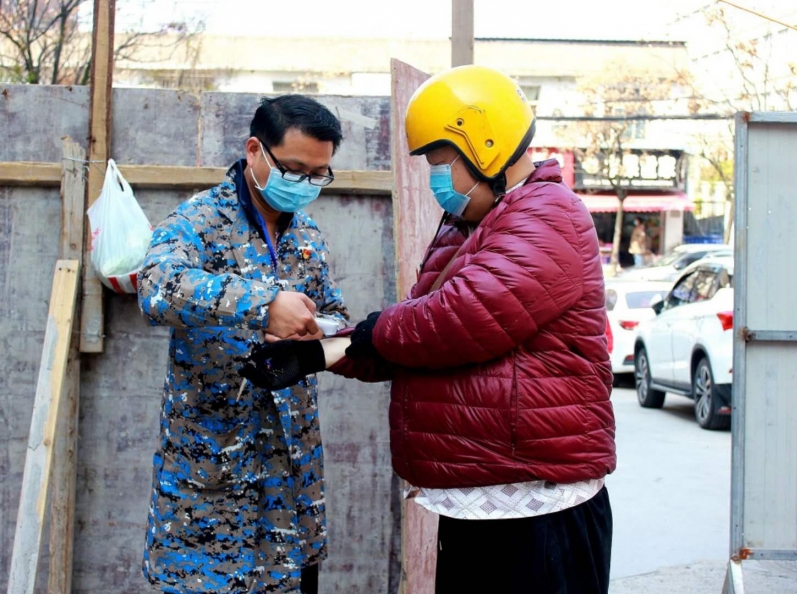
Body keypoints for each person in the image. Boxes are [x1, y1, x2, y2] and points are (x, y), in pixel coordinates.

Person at [242, 66, 616, 594]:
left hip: (538, 507)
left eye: (442, 162)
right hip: (481, 498)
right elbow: (418, 340)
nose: (436, 178)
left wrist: (362, 336)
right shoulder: (473, 225)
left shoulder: (548, 215)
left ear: (486, 148)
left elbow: (458, 319)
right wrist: (316, 353)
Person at [137, 94, 349, 594]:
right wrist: (263, 305)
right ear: (255, 150)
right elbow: (156, 285)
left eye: (318, 175)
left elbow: (335, 312)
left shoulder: (307, 235)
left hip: (290, 482)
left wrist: (317, 331)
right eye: (294, 170)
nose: (304, 184)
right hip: (210, 479)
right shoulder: (201, 220)